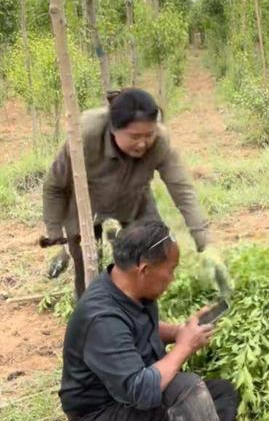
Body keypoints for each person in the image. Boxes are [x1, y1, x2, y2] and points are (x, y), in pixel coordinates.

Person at [60, 220, 239, 421]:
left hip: (133, 410)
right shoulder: (101, 318)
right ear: (144, 270)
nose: (172, 279)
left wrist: (178, 332)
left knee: (221, 393)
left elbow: (142, 327)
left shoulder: (130, 289)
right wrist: (185, 346)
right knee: (185, 390)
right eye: (171, 270)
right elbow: (140, 390)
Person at [41, 88, 229, 299]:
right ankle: (93, 315)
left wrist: (205, 244)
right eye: (134, 136)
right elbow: (55, 186)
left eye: (149, 135)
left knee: (155, 252)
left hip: (134, 200)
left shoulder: (159, 141)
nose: (142, 143)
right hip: (86, 205)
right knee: (87, 271)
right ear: (113, 129)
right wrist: (56, 233)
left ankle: (140, 306)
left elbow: (182, 191)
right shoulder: (85, 136)